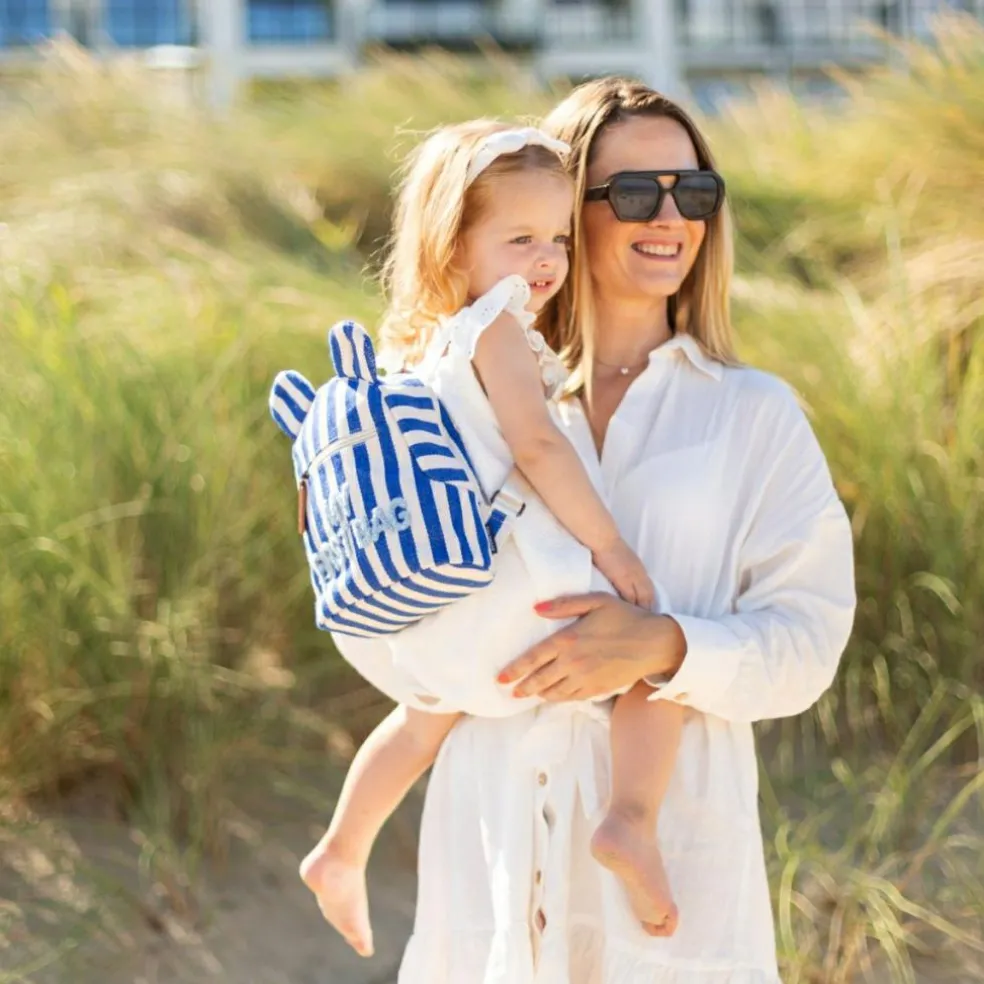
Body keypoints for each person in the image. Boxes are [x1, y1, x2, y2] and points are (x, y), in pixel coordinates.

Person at [315, 76, 855, 983]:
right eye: (636, 192)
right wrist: (461, 650)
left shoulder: (754, 414)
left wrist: (666, 645)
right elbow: (380, 625)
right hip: (491, 864)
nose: (672, 217)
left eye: (695, 191)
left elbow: (809, 645)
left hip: (677, 880)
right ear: (566, 205)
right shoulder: (463, 396)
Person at [298, 116, 693, 957]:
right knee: (658, 659)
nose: (547, 260)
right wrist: (613, 550)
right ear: (452, 246)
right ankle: (630, 819)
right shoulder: (496, 329)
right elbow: (538, 448)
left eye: (558, 239)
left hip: (449, 628)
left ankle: (342, 848)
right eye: (521, 239)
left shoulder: (419, 351)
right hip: (525, 602)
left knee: (421, 724)